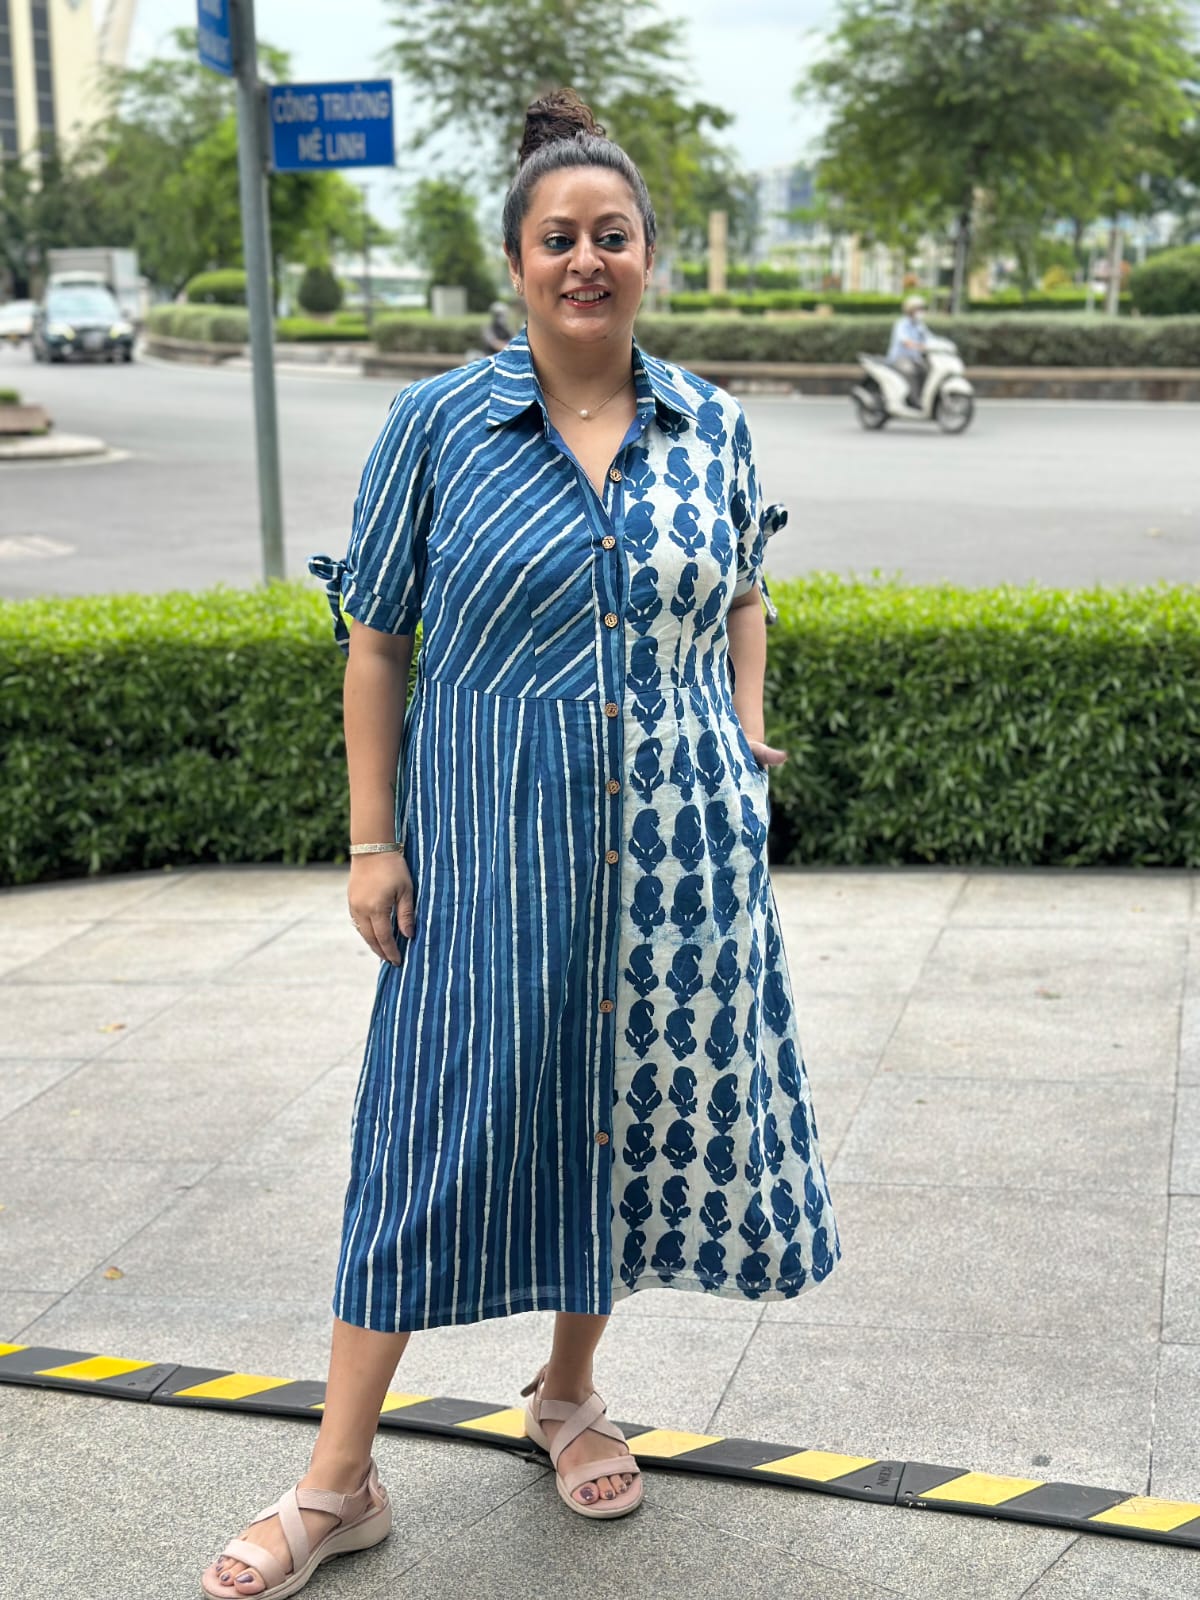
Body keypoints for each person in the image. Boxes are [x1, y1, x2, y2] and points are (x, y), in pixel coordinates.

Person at [202, 87, 842, 1600]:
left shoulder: (713, 424)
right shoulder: (439, 425)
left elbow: (747, 584)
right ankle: (335, 1481)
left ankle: (568, 1394)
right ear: (516, 259)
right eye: (559, 237)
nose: (586, 260)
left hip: (681, 856)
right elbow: (375, 642)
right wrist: (373, 844)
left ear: (647, 255)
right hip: (490, 851)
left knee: (621, 1120)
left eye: (611, 236)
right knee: (427, 1140)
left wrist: (744, 729)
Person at [887, 294, 931, 407]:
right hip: (899, 359)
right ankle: (913, 400)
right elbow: (904, 341)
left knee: (926, 370)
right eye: (918, 309)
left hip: (914, 358)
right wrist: (918, 346)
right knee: (910, 372)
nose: (921, 311)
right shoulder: (901, 324)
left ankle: (925, 399)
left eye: (922, 309)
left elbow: (930, 338)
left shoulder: (919, 325)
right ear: (910, 310)